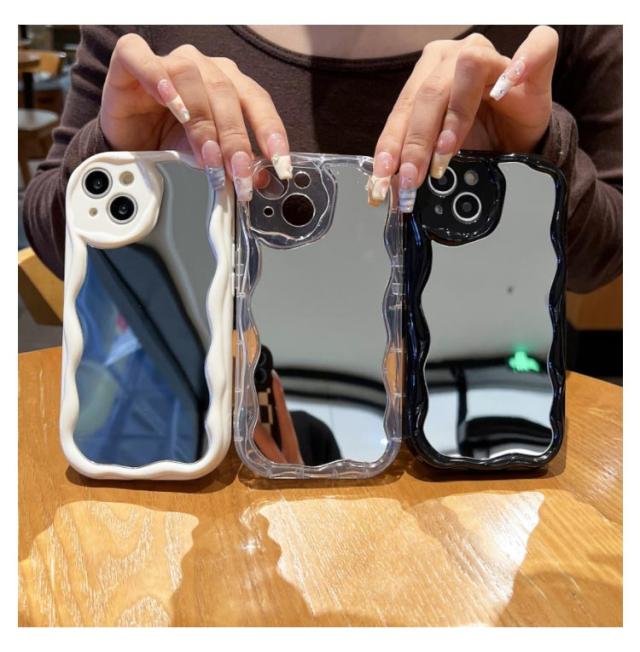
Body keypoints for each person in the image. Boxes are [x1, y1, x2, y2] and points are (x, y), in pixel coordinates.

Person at [23, 25, 622, 292]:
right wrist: (121, 152)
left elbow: (609, 259)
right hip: (200, 421)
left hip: (492, 438)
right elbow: (50, 236)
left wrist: (537, 157)